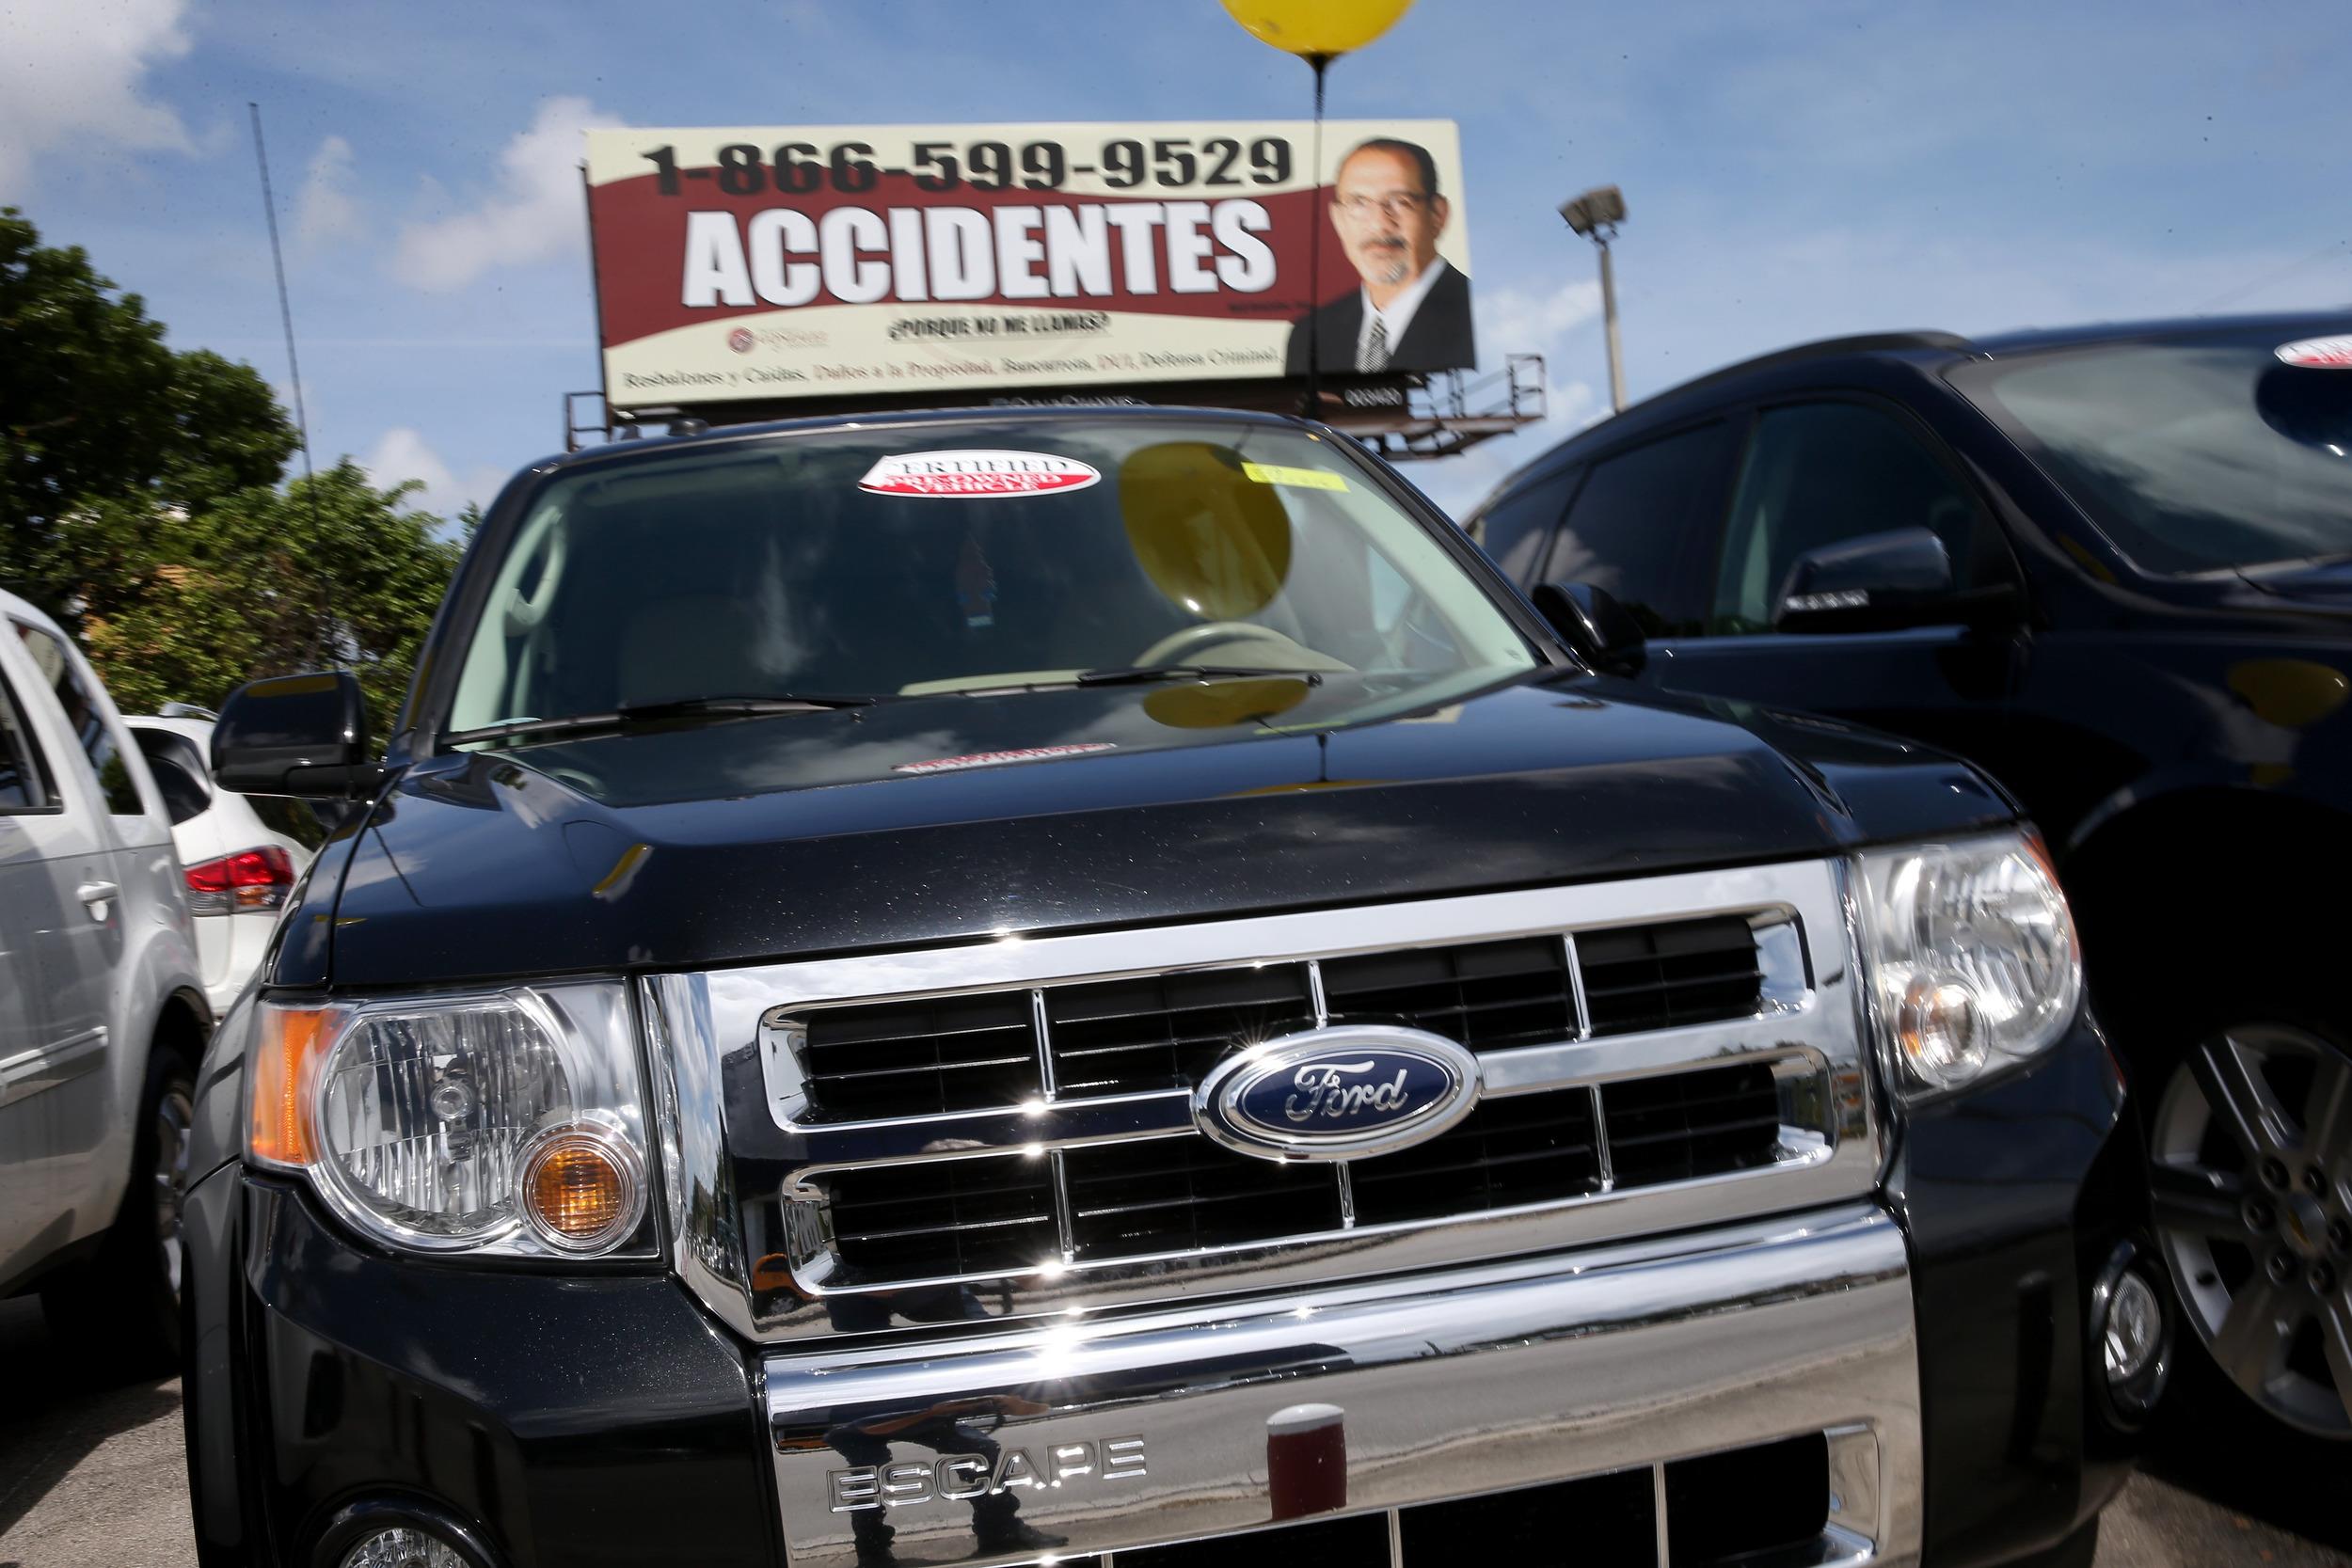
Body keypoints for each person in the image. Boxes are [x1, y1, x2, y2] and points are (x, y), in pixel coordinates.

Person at [1284, 136, 1475, 377]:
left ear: (1438, 214)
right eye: (1358, 203)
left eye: (1400, 202)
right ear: (1338, 219)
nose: (1379, 225)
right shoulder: (1309, 335)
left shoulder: (1476, 311)